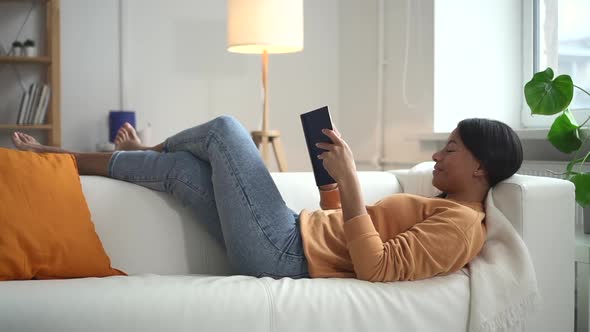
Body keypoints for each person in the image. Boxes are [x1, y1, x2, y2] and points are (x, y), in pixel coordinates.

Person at [11, 115, 523, 282]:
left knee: (227, 132)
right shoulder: (443, 208)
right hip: (291, 236)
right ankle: (63, 159)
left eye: (450, 149)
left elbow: (376, 266)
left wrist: (350, 182)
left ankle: (141, 146)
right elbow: (340, 233)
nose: (437, 156)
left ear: (480, 166)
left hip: (285, 253)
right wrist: (330, 178)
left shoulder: (461, 226)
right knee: (182, 169)